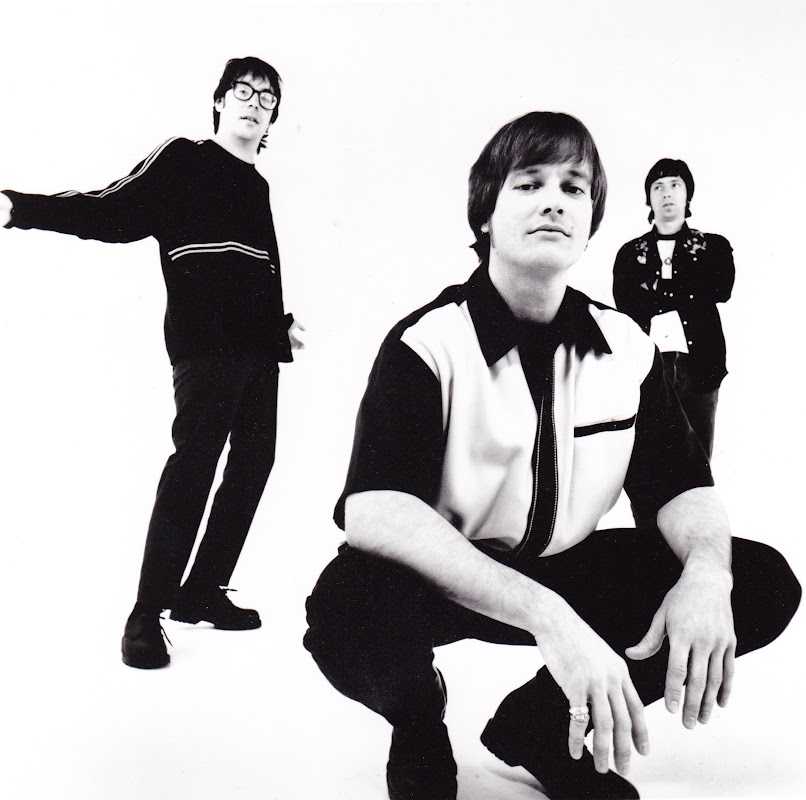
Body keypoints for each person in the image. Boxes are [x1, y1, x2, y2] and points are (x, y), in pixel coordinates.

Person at [302, 112, 799, 800]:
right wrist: (549, 618)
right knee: (344, 608)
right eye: (529, 183)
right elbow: (374, 512)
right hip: (448, 576)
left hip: (571, 566)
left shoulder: (626, 348)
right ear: (485, 215)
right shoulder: (430, 343)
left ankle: (536, 728)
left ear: (591, 222)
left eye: (574, 187)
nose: (554, 202)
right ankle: (418, 719)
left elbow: (682, 487)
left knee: (758, 580)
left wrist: (708, 576)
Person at [0, 56, 304, 669]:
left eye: (266, 97)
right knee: (194, 464)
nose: (253, 103)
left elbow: (264, 266)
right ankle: (146, 613)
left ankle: (202, 591)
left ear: (274, 116)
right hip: (205, 345)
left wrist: (280, 327)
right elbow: (110, 210)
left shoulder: (258, 186)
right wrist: (18, 207)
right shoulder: (184, 159)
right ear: (219, 101)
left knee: (254, 461)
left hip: (257, 351)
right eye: (243, 91)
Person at [613, 158, 734, 459]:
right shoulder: (629, 253)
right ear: (649, 198)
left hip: (702, 365)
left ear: (687, 194)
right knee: (651, 459)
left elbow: (722, 290)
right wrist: (689, 291)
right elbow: (626, 306)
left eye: (675, 185)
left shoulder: (713, 247)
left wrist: (654, 289)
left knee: (698, 457)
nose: (667, 193)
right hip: (649, 367)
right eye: (658, 187)